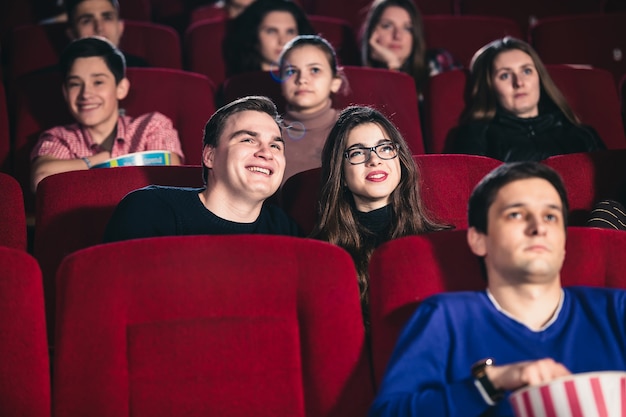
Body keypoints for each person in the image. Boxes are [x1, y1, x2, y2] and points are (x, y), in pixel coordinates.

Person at [369, 162, 626, 417]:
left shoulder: (617, 309)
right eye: (516, 214)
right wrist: (491, 382)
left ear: (563, 242)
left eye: (551, 216)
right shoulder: (445, 317)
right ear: (479, 239)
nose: (539, 227)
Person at [310, 106, 449, 325]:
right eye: (357, 152)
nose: (374, 160)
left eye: (384, 148)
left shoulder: (441, 244)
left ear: (400, 160)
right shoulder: (321, 258)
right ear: (341, 174)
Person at [103, 96, 301, 242]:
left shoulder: (285, 229)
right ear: (209, 156)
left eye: (275, 146)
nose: (266, 153)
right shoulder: (150, 209)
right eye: (248, 140)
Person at [30, 37, 183, 190]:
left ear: (121, 88)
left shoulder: (152, 125)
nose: (86, 94)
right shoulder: (59, 137)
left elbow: (171, 178)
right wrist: (101, 160)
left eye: (98, 82)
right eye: (75, 84)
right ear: (65, 92)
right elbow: (41, 179)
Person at [449, 37, 605, 161]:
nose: (519, 83)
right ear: (489, 86)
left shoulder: (582, 134)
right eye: (505, 75)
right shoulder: (476, 137)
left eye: (527, 71)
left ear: (539, 77)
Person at [278, 35, 346, 182]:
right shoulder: (267, 131)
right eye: (291, 71)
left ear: (335, 82)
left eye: (314, 70)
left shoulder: (350, 127)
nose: (302, 79)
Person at [360, 0, 457, 94]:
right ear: (372, 33)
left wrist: (394, 67)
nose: (397, 36)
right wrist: (393, 64)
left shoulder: (438, 62)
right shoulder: (358, 78)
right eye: (387, 26)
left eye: (407, 28)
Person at [223, 0, 314, 76]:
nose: (282, 41)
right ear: (254, 36)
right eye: (271, 31)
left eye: (290, 32)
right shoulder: (235, 86)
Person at [65, 0, 148, 67]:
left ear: (120, 27)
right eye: (87, 21)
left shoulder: (142, 69)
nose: (99, 28)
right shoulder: (56, 78)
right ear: (72, 34)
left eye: (107, 18)